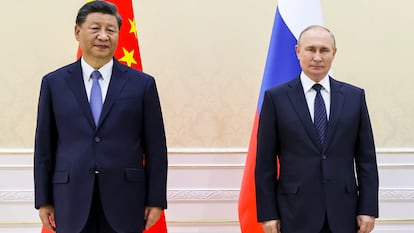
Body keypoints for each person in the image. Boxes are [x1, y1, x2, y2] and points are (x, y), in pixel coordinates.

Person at [33, 1, 168, 232]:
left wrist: (156, 200)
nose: (103, 36)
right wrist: (43, 199)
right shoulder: (54, 84)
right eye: (95, 28)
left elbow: (156, 148)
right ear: (78, 32)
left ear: (118, 34)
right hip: (70, 197)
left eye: (110, 30)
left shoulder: (142, 85)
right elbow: (44, 146)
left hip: (126, 198)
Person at [255, 25, 379, 233]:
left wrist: (368, 208)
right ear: (297, 51)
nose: (317, 57)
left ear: (334, 53)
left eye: (324, 50)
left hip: (344, 212)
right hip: (294, 212)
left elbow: (366, 159)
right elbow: (264, 164)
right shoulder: (275, 98)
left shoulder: (354, 97)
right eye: (311, 49)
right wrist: (268, 214)